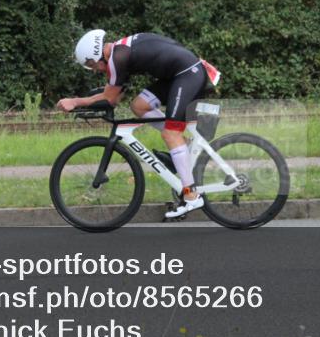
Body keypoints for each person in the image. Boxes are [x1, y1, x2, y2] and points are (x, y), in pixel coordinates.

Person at [57, 30, 221, 217]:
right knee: (139, 106)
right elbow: (116, 95)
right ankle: (183, 144)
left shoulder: (117, 58)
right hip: (179, 74)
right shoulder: (120, 52)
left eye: (92, 65)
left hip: (187, 74)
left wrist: (75, 101)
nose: (95, 70)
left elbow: (110, 99)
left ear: (97, 56)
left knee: (170, 133)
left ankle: (192, 196)